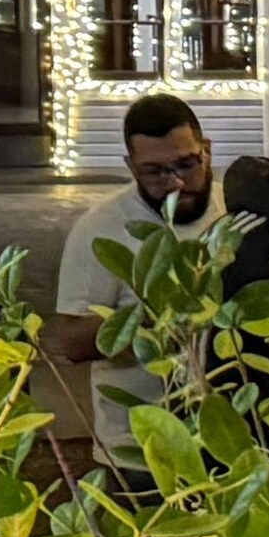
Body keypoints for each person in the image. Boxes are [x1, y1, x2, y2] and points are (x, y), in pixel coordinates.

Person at [44, 91, 223, 485]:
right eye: (155, 172)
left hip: (230, 440)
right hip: (139, 451)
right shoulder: (101, 229)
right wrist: (164, 309)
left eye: (187, 164)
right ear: (130, 166)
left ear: (206, 150)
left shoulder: (234, 212)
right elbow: (73, 342)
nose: (175, 182)